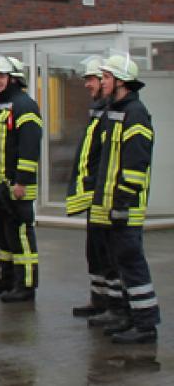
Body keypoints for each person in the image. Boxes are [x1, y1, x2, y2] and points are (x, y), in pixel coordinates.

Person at [86, 53, 159, 344]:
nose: (102, 82)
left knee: (132, 263)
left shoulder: (136, 113)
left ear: (120, 82)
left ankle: (145, 325)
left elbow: (135, 165)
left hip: (125, 207)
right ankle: (128, 316)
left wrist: (123, 203)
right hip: (111, 205)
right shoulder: (115, 110)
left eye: (106, 77)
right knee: (119, 262)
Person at [0, 55, 43, 303]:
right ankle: (7, 279)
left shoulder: (24, 106)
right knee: (3, 234)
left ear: (15, 79)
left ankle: (25, 285)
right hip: (0, 187)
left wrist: (22, 182)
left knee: (20, 236)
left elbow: (29, 148)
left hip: (16, 187)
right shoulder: (0, 107)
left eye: (2, 76)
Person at [65, 56, 123, 319]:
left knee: (109, 254)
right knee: (96, 252)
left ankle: (115, 306)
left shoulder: (111, 114)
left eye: (91, 79)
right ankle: (99, 300)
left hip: (105, 196)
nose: (87, 85)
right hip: (94, 196)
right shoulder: (99, 112)